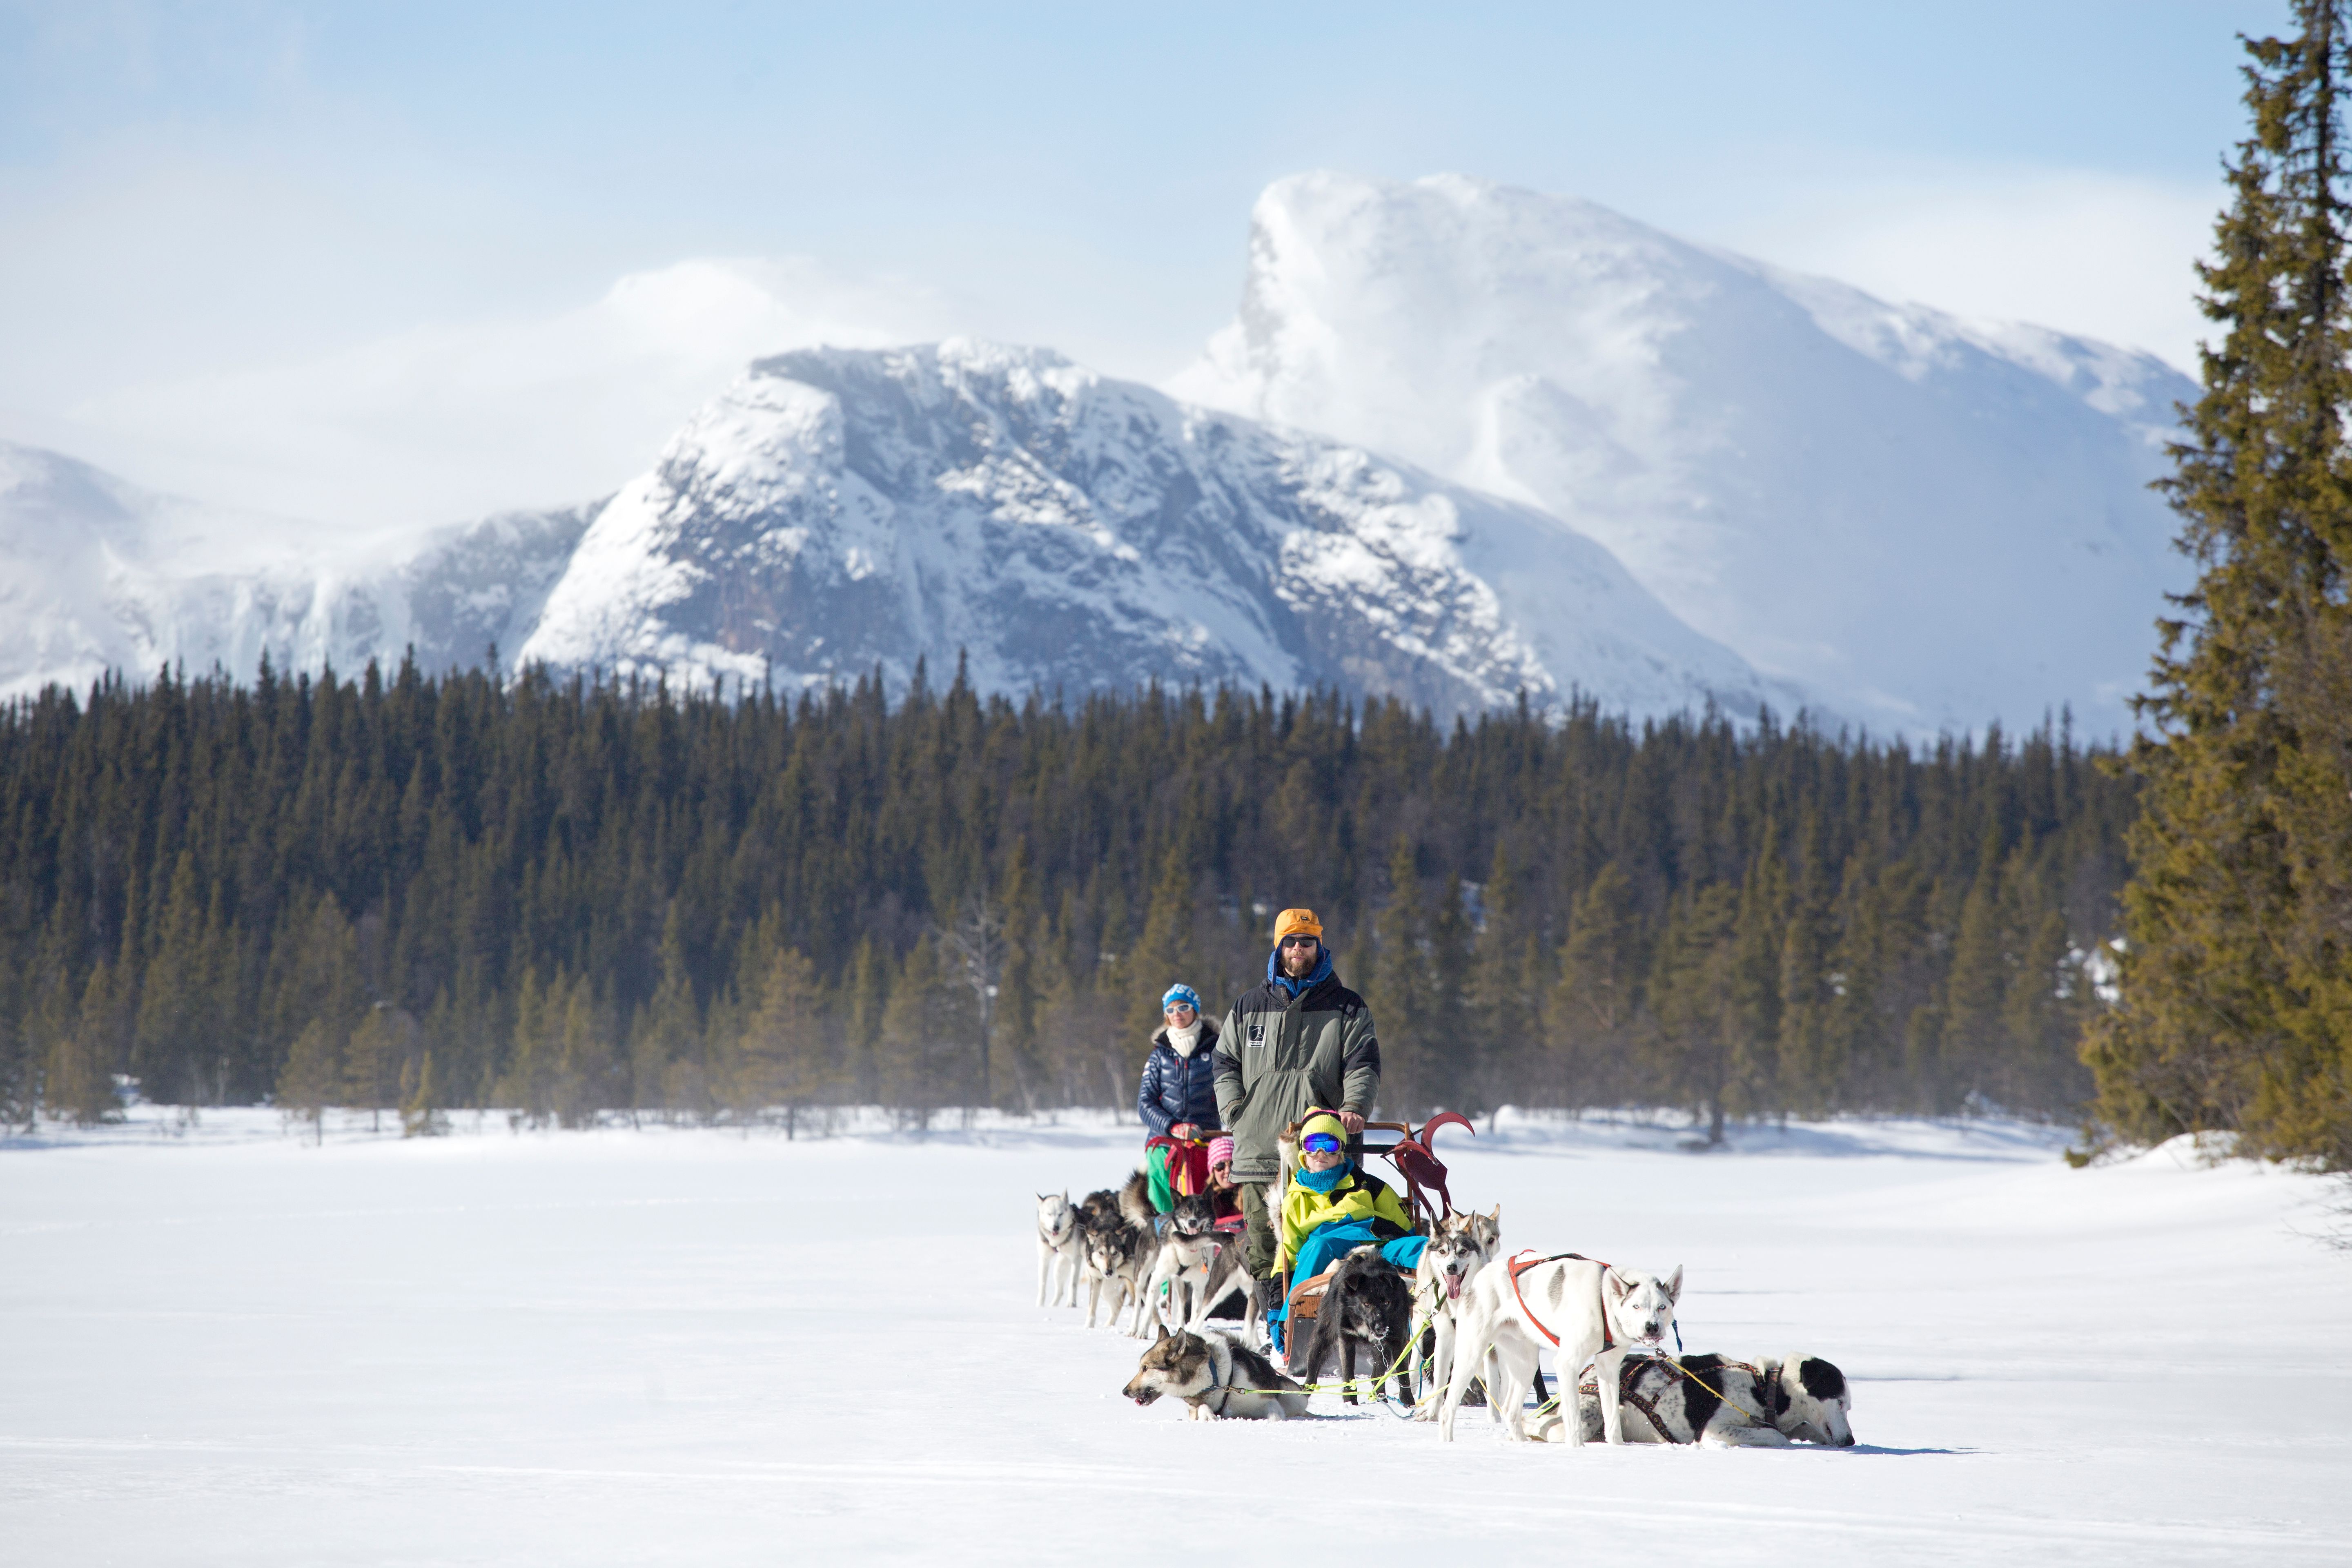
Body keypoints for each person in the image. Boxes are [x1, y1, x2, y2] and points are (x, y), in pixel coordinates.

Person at [1210, 907, 1380, 1288]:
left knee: (1324, 1242)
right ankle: (1276, 1326)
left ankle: (1319, 1321)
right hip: (1258, 1146)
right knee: (1263, 1247)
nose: (1298, 948)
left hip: (1322, 1152)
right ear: (1279, 947)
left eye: (1307, 941)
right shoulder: (1248, 1006)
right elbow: (1224, 1062)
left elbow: (1363, 1063)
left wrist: (1354, 1108)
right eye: (1291, 942)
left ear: (1319, 947)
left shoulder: (1347, 1007)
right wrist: (1234, 1110)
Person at [1278, 1111, 1415, 1285]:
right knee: (1319, 1246)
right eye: (1313, 1145)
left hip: (1376, 1243)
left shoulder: (1369, 1185)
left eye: (1330, 1146)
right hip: (1328, 1248)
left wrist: (1411, 1244)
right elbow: (1288, 1253)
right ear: (1303, 1152)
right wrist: (1277, 1302)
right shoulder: (1296, 1199)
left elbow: (1404, 1230)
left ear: (1341, 1150)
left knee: (1423, 1248)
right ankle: (1294, 1310)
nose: (1321, 1153)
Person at [1136, 983, 1221, 1213]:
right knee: (1159, 1169)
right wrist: (1173, 1127)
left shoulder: (1218, 1048)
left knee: (1217, 1180)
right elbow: (1145, 1104)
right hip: (1165, 1137)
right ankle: (1164, 1224)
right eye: (1171, 1010)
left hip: (1208, 1135)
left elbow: (1231, 1090)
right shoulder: (1159, 1054)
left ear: (1195, 1009)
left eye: (1183, 1007)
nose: (1177, 1014)